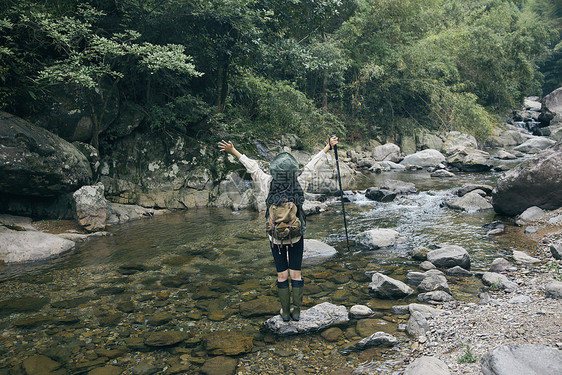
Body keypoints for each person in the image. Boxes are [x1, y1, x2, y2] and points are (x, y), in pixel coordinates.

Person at [218, 136, 339, 321]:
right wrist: (327, 147)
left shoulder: (267, 183)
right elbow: (312, 165)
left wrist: (233, 150)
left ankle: (284, 312)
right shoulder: (300, 181)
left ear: (275, 171)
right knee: (296, 274)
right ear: (292, 172)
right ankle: (297, 311)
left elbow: (252, 167)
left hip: (276, 239)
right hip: (296, 237)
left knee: (282, 275)